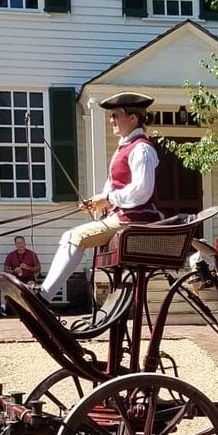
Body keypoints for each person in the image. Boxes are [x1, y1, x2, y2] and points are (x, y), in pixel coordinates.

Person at [37, 92, 162, 302]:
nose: (111, 119)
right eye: (111, 115)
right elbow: (113, 186)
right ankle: (43, 295)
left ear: (133, 118)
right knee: (73, 236)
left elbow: (142, 190)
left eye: (116, 115)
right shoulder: (125, 147)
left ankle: (43, 297)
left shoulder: (141, 149)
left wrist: (108, 199)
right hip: (123, 218)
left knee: (74, 237)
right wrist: (98, 202)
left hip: (135, 221)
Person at [0, 235, 41, 315]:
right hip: (15, 277)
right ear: (15, 245)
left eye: (22, 243)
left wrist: (28, 267)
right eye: (18, 243)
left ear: (25, 243)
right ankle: (3, 308)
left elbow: (38, 268)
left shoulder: (32, 254)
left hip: (28, 277)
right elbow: (6, 269)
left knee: (30, 286)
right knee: (4, 287)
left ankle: (31, 308)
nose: (20, 245)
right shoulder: (11, 255)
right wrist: (13, 270)